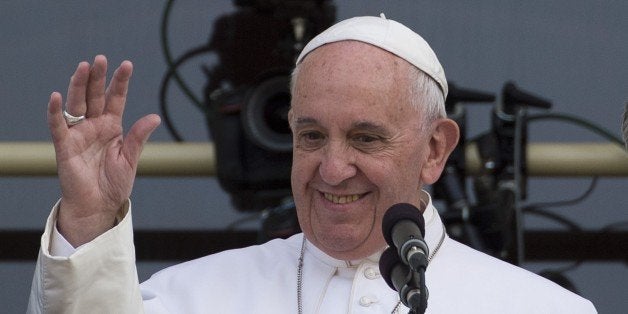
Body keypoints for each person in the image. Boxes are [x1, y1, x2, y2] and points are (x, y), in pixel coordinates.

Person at [28, 15, 596, 313]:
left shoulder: (542, 310)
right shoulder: (185, 299)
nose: (331, 169)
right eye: (311, 136)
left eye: (366, 139)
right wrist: (92, 220)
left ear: (434, 149)